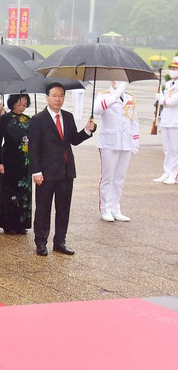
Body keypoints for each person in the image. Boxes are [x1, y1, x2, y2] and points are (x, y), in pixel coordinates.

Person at [29, 82, 95, 257]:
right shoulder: (38, 119)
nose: (58, 99)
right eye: (54, 95)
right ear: (47, 97)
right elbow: (33, 148)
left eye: (61, 96)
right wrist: (36, 172)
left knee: (63, 208)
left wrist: (87, 131)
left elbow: (73, 139)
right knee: (43, 208)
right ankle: (41, 242)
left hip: (66, 171)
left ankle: (60, 241)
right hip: (46, 172)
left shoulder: (68, 116)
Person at [93, 82, 139, 222]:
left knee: (119, 178)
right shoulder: (103, 95)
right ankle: (105, 209)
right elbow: (97, 110)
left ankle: (115, 208)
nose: (118, 81)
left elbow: (133, 120)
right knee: (107, 177)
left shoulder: (130, 97)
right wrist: (116, 95)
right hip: (109, 142)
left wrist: (135, 141)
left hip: (125, 142)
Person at [0, 94, 33, 235]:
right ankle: (8, 223)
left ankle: (22, 223)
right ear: (13, 103)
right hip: (9, 158)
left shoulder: (29, 120)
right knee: (9, 192)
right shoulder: (4, 119)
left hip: (25, 160)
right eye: (19, 104)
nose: (21, 107)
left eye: (24, 104)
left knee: (24, 192)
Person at [154, 57, 178, 185]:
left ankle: (174, 174)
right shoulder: (169, 84)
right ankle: (167, 171)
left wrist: (161, 98)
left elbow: (172, 101)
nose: (172, 70)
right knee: (167, 148)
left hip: (176, 121)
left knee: (175, 149)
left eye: (175, 69)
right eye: (172, 68)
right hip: (167, 119)